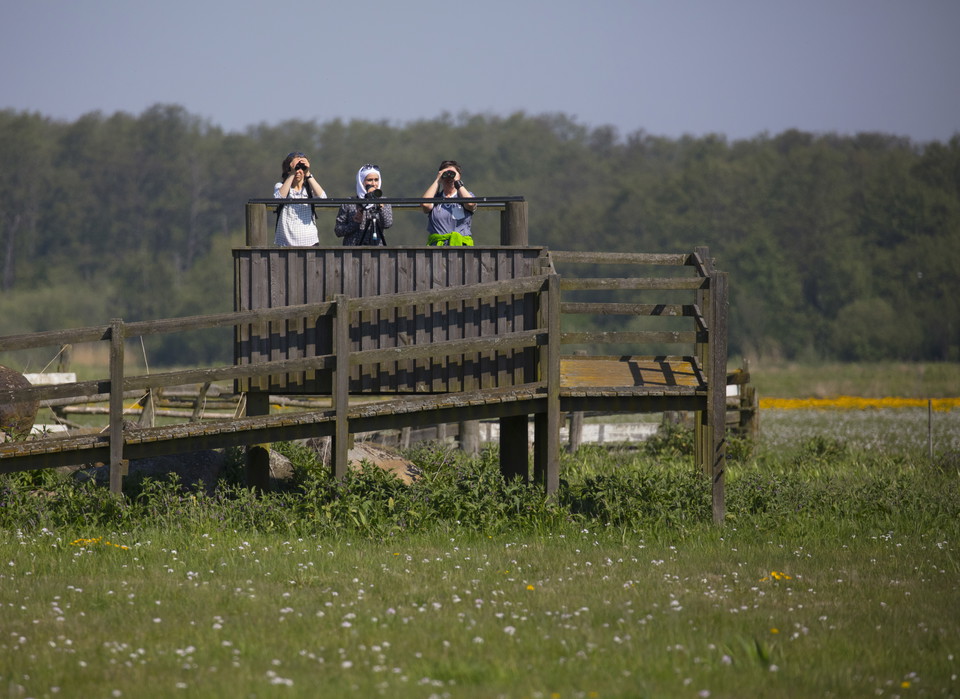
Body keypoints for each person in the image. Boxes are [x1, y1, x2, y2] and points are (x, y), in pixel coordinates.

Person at [273, 151, 327, 246]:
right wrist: (292, 173)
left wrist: (308, 173)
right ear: (287, 169)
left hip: (310, 241)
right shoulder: (280, 186)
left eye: (301, 168)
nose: (298, 171)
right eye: (295, 167)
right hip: (285, 241)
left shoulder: (309, 188)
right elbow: (278, 198)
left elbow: (323, 198)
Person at [334, 164, 393, 246]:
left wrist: (380, 206)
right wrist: (355, 223)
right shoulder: (349, 202)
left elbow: (387, 224)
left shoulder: (383, 201)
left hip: (376, 250)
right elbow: (338, 231)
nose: (373, 183)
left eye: (376, 180)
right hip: (353, 251)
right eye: (369, 180)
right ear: (361, 182)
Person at [421, 160, 477, 246]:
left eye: (453, 173)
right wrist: (437, 180)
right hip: (437, 247)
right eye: (446, 174)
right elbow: (425, 205)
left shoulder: (465, 195)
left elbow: (470, 204)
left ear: (459, 176)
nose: (449, 177)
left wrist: (457, 182)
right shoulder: (435, 198)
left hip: (462, 247)